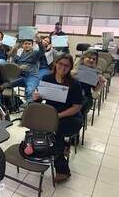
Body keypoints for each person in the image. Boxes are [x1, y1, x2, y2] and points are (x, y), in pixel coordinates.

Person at [33, 54, 83, 182]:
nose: (63, 67)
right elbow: (41, 97)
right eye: (60, 63)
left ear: (70, 67)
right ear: (55, 63)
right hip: (52, 114)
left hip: (70, 117)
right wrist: (36, 96)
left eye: (67, 65)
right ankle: (60, 147)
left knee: (55, 134)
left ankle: (62, 170)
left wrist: (58, 116)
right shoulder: (47, 78)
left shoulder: (74, 84)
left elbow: (77, 107)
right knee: (42, 127)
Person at [72, 50, 106, 123]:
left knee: (79, 108)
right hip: (72, 94)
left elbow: (95, 90)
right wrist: (71, 75)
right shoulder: (76, 68)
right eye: (89, 58)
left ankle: (76, 127)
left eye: (94, 59)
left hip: (86, 97)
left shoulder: (96, 71)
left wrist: (100, 84)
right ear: (83, 58)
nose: (91, 60)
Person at [11, 35, 45, 105]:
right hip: (20, 76)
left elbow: (42, 51)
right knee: (6, 84)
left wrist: (40, 42)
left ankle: (29, 109)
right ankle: (16, 104)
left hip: (32, 76)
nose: (27, 45)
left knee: (30, 91)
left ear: (32, 45)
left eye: (29, 44)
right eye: (25, 43)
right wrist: (18, 67)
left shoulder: (35, 53)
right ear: (22, 45)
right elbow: (13, 63)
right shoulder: (19, 53)